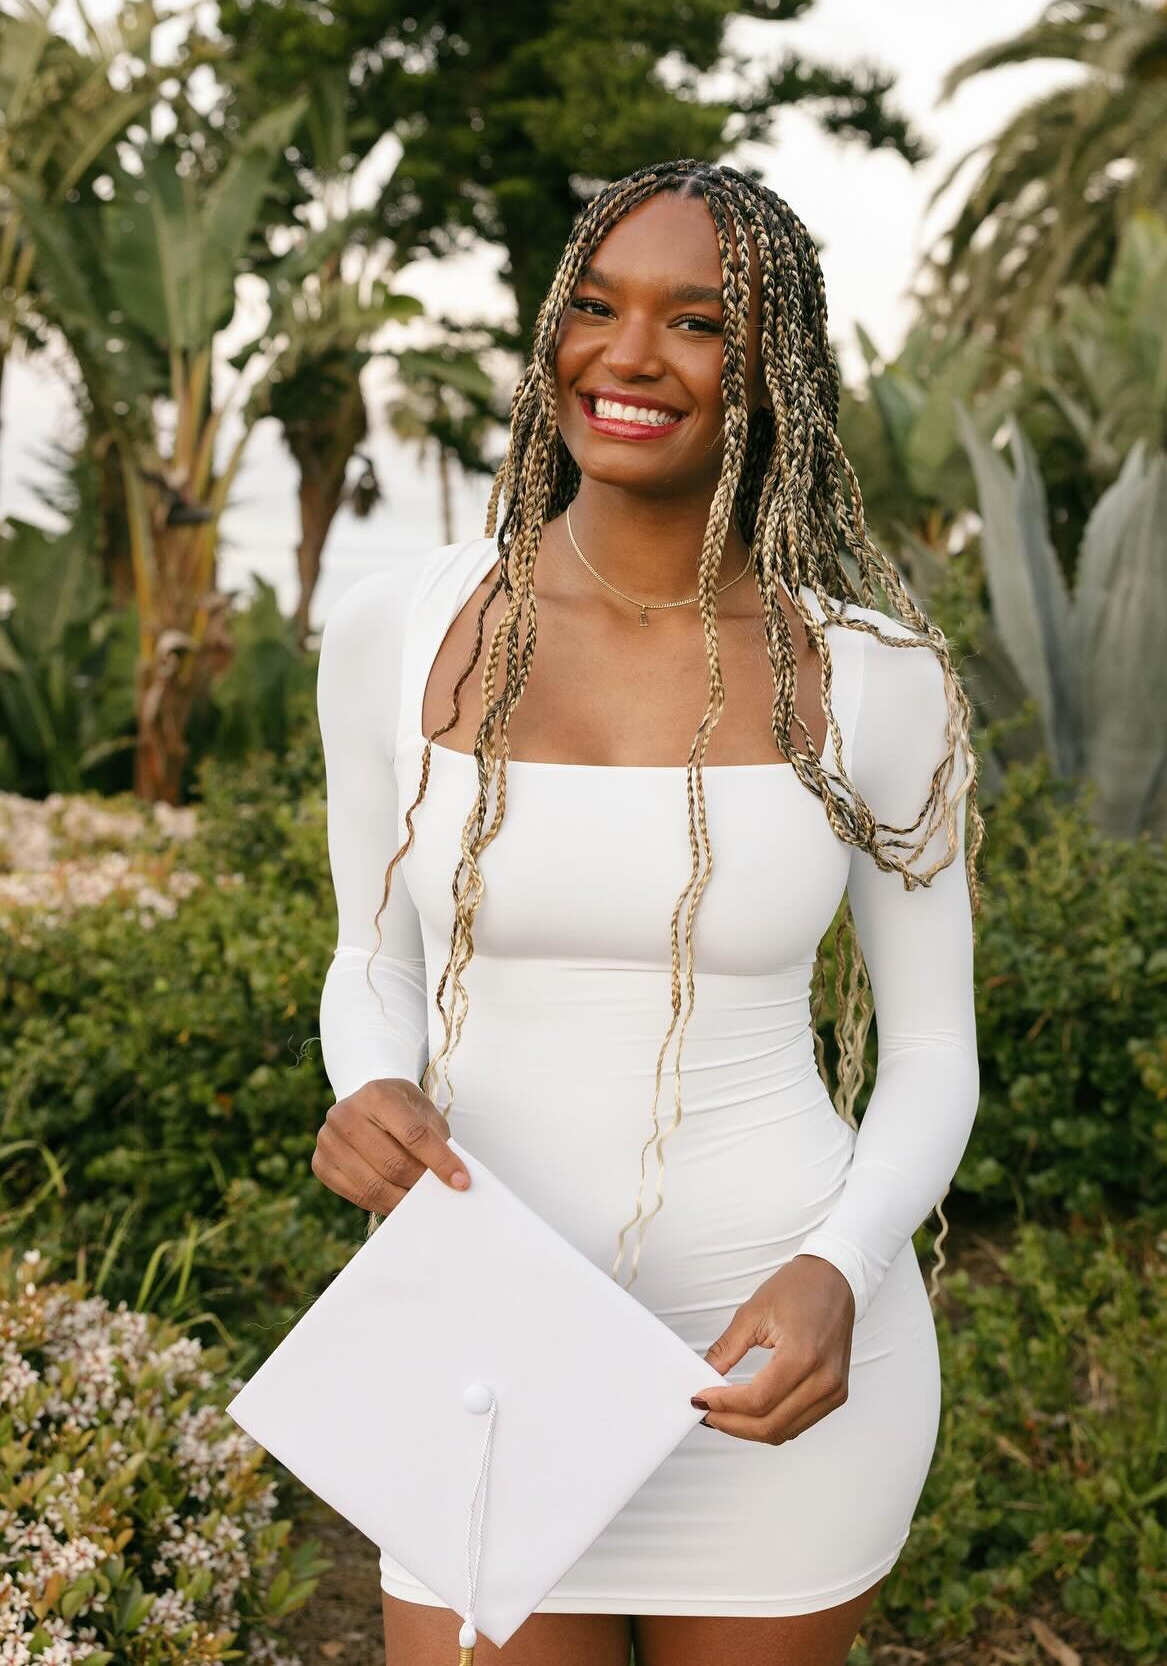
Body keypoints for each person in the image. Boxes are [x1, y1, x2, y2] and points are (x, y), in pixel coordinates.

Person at [310, 158, 983, 1666]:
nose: (628, 356)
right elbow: (371, 955)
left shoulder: (877, 680)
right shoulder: (396, 630)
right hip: (487, 1350)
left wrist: (843, 1270)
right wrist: (368, 1082)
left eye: (696, 324)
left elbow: (934, 1052)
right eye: (598, 308)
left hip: (778, 1363)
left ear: (773, 378)